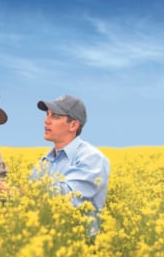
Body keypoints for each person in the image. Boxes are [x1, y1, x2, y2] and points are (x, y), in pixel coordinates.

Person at [31, 94, 110, 236]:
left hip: (81, 247)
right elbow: (29, 200)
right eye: (47, 115)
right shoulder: (44, 161)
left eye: (55, 116)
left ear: (73, 125)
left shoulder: (92, 158)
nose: (46, 121)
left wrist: (17, 192)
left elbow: (65, 198)